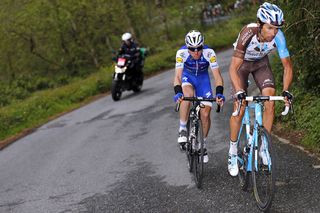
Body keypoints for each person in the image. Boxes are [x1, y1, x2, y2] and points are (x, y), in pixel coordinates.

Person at [227, 2, 293, 176]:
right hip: (241, 65)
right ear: (260, 24)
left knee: (270, 99)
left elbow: (287, 66)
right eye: (270, 28)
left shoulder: (279, 37)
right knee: (239, 109)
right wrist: (240, 91)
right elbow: (233, 68)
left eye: (277, 28)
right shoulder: (248, 32)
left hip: (261, 64)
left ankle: (263, 147)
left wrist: (286, 91)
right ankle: (233, 152)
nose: (274, 33)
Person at [173, 30, 225, 163]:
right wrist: (178, 91)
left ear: (203, 45)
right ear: (187, 47)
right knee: (187, 95)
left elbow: (217, 76)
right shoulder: (181, 53)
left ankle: (203, 144)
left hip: (203, 80)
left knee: (206, 114)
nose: (196, 52)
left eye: (198, 48)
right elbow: (178, 76)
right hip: (187, 77)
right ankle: (183, 128)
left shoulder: (209, 53)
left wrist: (219, 93)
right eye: (192, 49)